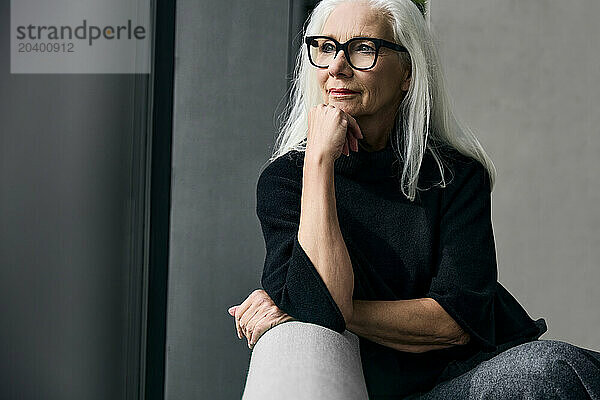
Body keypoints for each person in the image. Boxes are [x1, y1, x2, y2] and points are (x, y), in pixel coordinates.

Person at [227, 0, 600, 398]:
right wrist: (318, 160)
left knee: (559, 368)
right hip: (401, 393)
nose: (337, 67)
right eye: (326, 47)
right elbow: (318, 311)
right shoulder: (285, 182)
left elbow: (454, 322)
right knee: (549, 370)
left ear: (407, 72)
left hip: (477, 371)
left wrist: (309, 304)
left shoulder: (454, 175)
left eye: (363, 49)